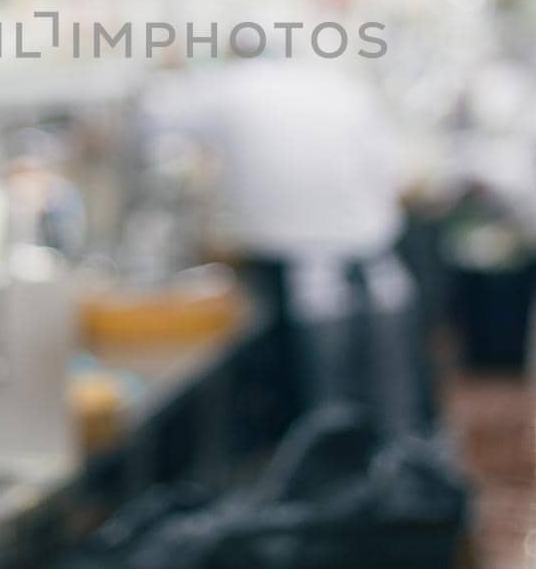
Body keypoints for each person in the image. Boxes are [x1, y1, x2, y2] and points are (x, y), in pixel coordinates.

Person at [143, 48, 425, 435]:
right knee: (391, 383)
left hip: (298, 256)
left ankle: (333, 469)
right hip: (372, 247)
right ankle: (400, 465)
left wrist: (167, 67)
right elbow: (393, 170)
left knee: (326, 392)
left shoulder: (229, 87)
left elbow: (155, 117)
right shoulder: (340, 86)